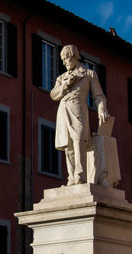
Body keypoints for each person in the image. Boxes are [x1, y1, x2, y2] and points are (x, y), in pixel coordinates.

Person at [50, 45, 110, 185]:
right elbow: (53, 95)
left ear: (75, 57)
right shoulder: (62, 78)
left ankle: (80, 175)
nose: (64, 62)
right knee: (68, 145)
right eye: (63, 59)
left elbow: (99, 96)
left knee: (79, 141)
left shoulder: (89, 74)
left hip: (78, 110)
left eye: (66, 58)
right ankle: (71, 176)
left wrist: (102, 110)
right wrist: (66, 85)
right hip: (63, 111)